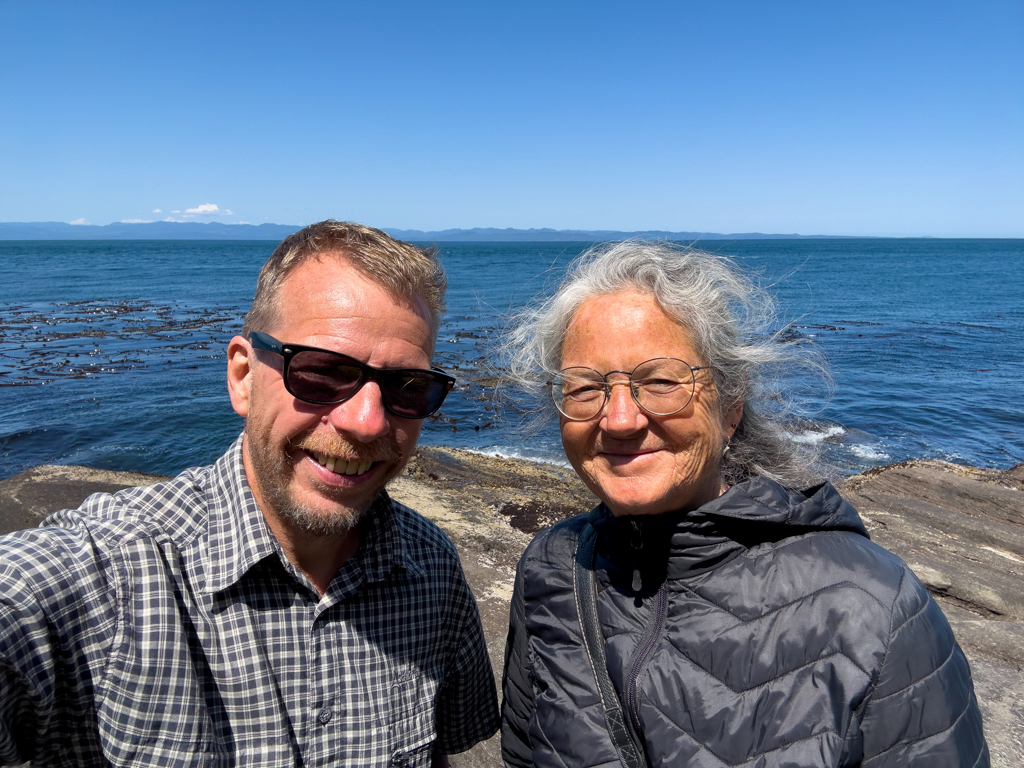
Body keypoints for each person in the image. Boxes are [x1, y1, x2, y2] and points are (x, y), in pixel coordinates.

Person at [0, 221, 499, 767]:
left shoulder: (432, 569)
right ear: (243, 376)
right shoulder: (106, 577)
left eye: (408, 387)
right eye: (322, 372)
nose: (366, 421)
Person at [500, 241, 988, 767]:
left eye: (661, 382)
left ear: (730, 410)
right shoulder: (550, 570)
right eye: (586, 387)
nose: (620, 419)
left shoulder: (872, 607)